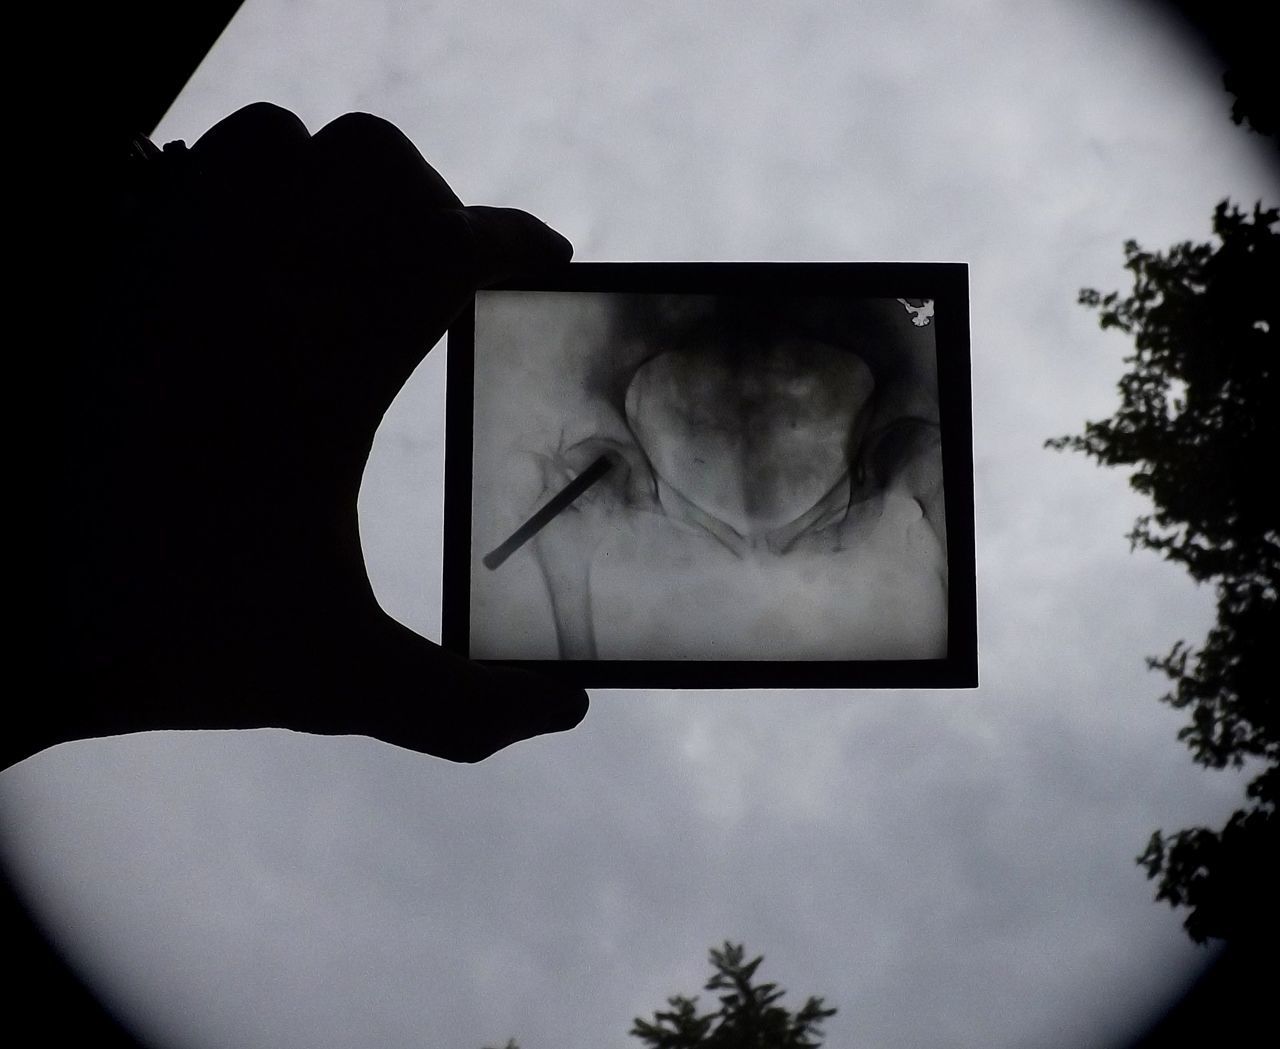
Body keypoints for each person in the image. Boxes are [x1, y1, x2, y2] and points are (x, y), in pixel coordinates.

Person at [10, 101, 589, 1044]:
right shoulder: (155, 609)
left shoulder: (144, 596)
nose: (161, 157)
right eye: (140, 162)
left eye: (146, 158)